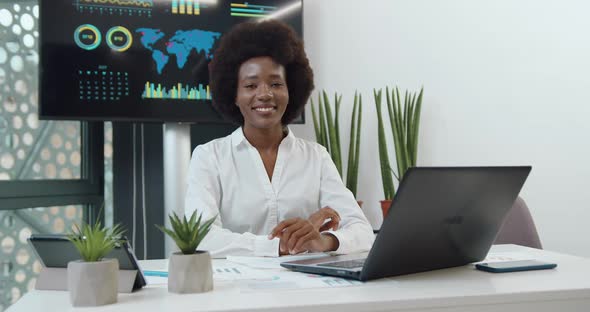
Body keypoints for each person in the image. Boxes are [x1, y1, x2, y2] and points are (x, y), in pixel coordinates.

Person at [184, 20, 374, 258]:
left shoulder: (316, 157)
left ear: (291, 90)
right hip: (237, 291)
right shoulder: (209, 157)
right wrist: (280, 245)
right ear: (234, 95)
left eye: (276, 84)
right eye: (251, 85)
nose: (264, 94)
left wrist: (321, 241)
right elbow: (201, 237)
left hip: (307, 289)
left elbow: (363, 231)